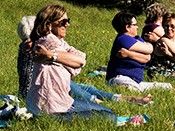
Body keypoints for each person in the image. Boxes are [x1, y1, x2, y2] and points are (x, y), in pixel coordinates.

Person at [17, 15, 150, 106]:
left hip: (56, 85)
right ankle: (103, 103)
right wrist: (65, 58)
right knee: (78, 90)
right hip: (41, 92)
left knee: (89, 88)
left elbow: (80, 57)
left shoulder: (49, 44)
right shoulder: (34, 49)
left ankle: (126, 99)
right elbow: (74, 66)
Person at [25, 5, 116, 122]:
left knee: (106, 111)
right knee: (109, 117)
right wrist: (54, 56)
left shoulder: (59, 43)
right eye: (63, 22)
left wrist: (53, 56)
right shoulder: (48, 43)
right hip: (50, 110)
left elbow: (81, 57)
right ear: (49, 24)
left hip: (61, 102)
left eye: (68, 21)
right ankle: (43, 121)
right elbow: (79, 62)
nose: (67, 24)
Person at [106, 11, 173, 92]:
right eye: (135, 25)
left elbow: (147, 58)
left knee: (166, 87)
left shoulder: (137, 38)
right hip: (120, 79)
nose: (137, 27)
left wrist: (129, 54)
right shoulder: (123, 39)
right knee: (135, 91)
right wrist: (149, 45)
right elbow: (149, 49)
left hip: (135, 81)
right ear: (127, 27)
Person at [147, 13, 175, 77]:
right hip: (159, 72)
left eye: (172, 26)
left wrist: (169, 53)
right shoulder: (164, 40)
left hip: (173, 69)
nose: (169, 28)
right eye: (166, 26)